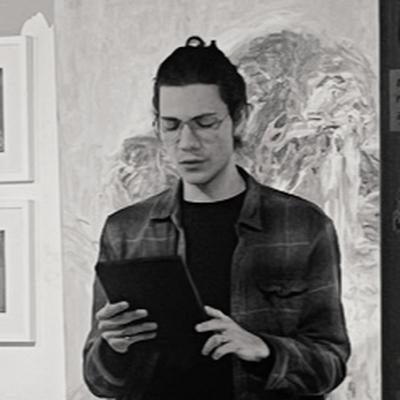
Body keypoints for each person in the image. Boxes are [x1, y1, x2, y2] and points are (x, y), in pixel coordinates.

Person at [83, 36, 350, 400]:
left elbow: (331, 363)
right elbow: (98, 381)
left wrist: (264, 351)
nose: (187, 142)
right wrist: (113, 349)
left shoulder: (303, 225)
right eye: (171, 125)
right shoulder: (125, 230)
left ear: (239, 119)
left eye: (205, 123)